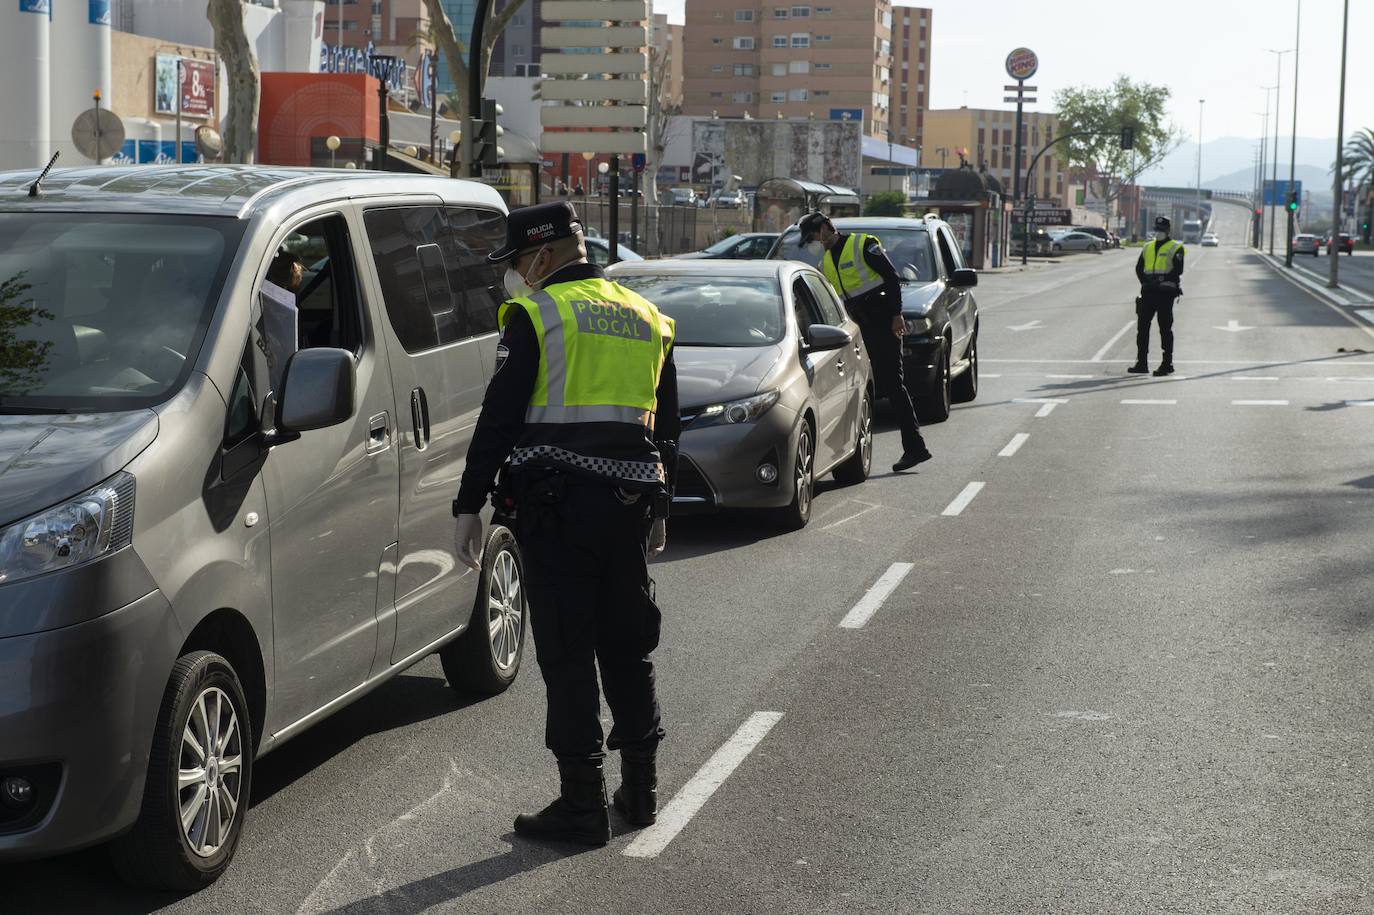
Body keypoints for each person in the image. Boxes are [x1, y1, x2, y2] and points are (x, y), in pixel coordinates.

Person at [451, 201, 679, 846]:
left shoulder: (536, 314)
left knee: (569, 654)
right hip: (628, 511)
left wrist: (468, 505)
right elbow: (665, 429)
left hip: (556, 512)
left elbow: (498, 418)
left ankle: (581, 805)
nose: (516, 275)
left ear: (544, 256)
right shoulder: (647, 319)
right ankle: (641, 792)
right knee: (628, 647)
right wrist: (659, 508)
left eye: (520, 261)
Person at [798, 212, 931, 471]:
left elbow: (892, 278)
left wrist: (896, 315)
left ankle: (915, 447)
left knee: (894, 384)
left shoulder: (862, 245)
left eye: (814, 234)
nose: (815, 240)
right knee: (855, 384)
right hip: (859, 328)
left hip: (883, 323)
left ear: (826, 227)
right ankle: (846, 451)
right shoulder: (825, 262)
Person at [1131, 215, 1185, 377]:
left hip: (1165, 294)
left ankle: (1167, 363)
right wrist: (1145, 282)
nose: (1159, 232)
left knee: (1165, 329)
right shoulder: (1148, 246)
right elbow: (1139, 268)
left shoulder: (1176, 247)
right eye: (1157, 229)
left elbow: (1178, 270)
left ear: (1168, 230)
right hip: (1148, 293)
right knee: (1142, 329)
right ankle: (1142, 363)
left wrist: (1160, 280)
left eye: (1162, 230)